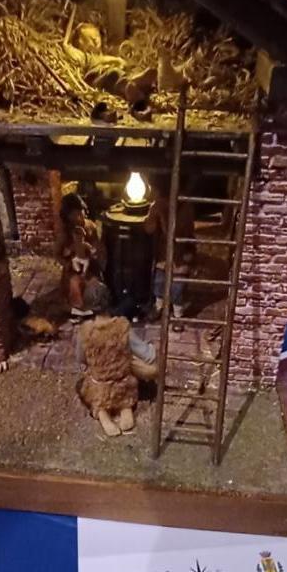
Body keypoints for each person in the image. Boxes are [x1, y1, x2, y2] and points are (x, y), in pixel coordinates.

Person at [76, 283, 158, 438]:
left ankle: (103, 414)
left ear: (89, 307)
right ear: (109, 300)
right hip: (122, 384)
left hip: (99, 385)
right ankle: (125, 410)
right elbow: (147, 354)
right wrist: (151, 348)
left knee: (89, 388)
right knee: (138, 377)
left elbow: (80, 358)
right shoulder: (122, 326)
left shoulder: (85, 331)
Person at [144, 176, 196, 321]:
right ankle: (159, 305)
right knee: (159, 281)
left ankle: (178, 312)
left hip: (181, 250)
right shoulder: (158, 206)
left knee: (177, 286)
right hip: (164, 252)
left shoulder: (185, 207)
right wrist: (154, 214)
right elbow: (149, 228)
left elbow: (182, 231)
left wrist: (162, 215)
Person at [56, 192, 106, 321]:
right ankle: (77, 308)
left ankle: (91, 307)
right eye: (74, 215)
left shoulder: (90, 226)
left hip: (89, 266)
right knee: (75, 284)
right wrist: (68, 262)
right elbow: (57, 254)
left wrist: (94, 253)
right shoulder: (64, 232)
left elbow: (97, 247)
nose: (78, 217)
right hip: (72, 269)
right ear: (67, 216)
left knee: (95, 287)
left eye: (80, 213)